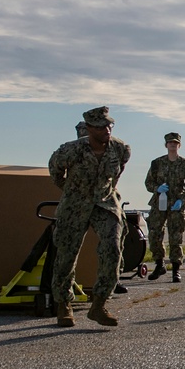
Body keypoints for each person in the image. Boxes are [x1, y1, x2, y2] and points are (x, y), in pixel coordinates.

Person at [48, 106, 131, 327]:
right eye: (102, 127)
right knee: (66, 254)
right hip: (75, 204)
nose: (108, 130)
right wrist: (69, 190)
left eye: (110, 126)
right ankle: (63, 303)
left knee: (112, 248)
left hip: (105, 203)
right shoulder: (71, 150)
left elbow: (118, 172)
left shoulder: (120, 149)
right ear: (90, 129)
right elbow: (55, 169)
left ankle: (99, 304)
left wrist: (109, 191)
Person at [74, 120, 130, 295]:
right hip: (80, 202)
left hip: (106, 200)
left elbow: (116, 174)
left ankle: (114, 280)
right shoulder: (76, 152)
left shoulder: (113, 150)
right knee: (70, 247)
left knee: (115, 240)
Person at [144, 132, 185, 282]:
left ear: (179, 145)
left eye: (175, 143)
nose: (172, 145)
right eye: (170, 143)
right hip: (159, 203)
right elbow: (148, 183)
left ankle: (176, 270)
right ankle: (159, 264)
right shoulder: (157, 163)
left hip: (176, 205)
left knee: (175, 237)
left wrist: (182, 199)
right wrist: (157, 188)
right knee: (154, 235)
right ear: (166, 145)